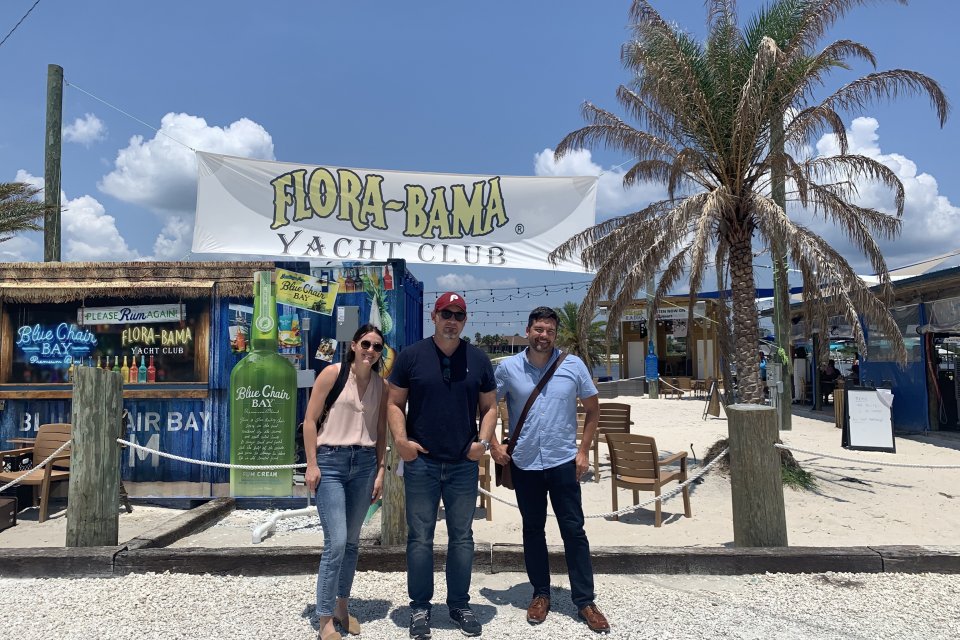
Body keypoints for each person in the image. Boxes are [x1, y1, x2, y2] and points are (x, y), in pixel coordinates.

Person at [492, 306, 611, 634]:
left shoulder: (573, 366)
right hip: (526, 463)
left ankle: (585, 600)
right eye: (538, 329)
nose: (543, 336)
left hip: (562, 462)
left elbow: (592, 409)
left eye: (549, 331)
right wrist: (492, 443)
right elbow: (486, 405)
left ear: (555, 335)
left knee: (574, 530)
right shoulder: (508, 369)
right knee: (532, 530)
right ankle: (540, 594)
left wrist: (584, 450)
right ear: (527, 330)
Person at [387, 292, 499, 639]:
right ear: (433, 317)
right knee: (419, 538)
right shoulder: (411, 357)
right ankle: (420, 607)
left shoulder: (478, 359)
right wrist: (402, 444)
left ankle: (459, 604)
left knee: (462, 537)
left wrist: (482, 443)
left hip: (463, 465)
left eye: (459, 315)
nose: (452, 319)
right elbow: (394, 404)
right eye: (445, 313)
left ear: (465, 321)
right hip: (422, 463)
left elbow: (491, 407)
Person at [303, 324, 388, 640]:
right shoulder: (333, 374)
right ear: (354, 345)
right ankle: (324, 619)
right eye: (366, 343)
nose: (370, 350)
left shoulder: (382, 385)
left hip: (364, 465)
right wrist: (312, 464)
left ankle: (342, 605)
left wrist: (380, 471)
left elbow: (380, 432)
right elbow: (310, 421)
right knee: (336, 541)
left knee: (352, 543)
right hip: (331, 462)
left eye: (377, 346)